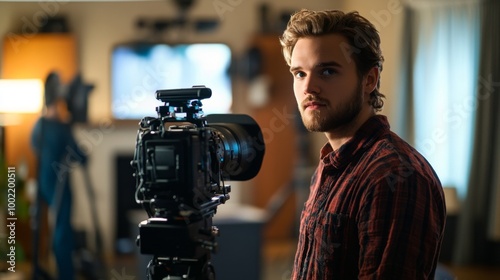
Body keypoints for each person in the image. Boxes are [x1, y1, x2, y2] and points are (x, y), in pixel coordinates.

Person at [279, 9, 446, 279]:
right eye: (299, 73)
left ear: (369, 79)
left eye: (328, 71)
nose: (309, 86)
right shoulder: (331, 164)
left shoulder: (395, 176)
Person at [31, 71, 87, 280]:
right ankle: (66, 275)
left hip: (45, 181)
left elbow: (34, 145)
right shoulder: (61, 128)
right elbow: (80, 156)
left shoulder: (39, 126)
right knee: (63, 233)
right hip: (59, 184)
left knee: (55, 230)